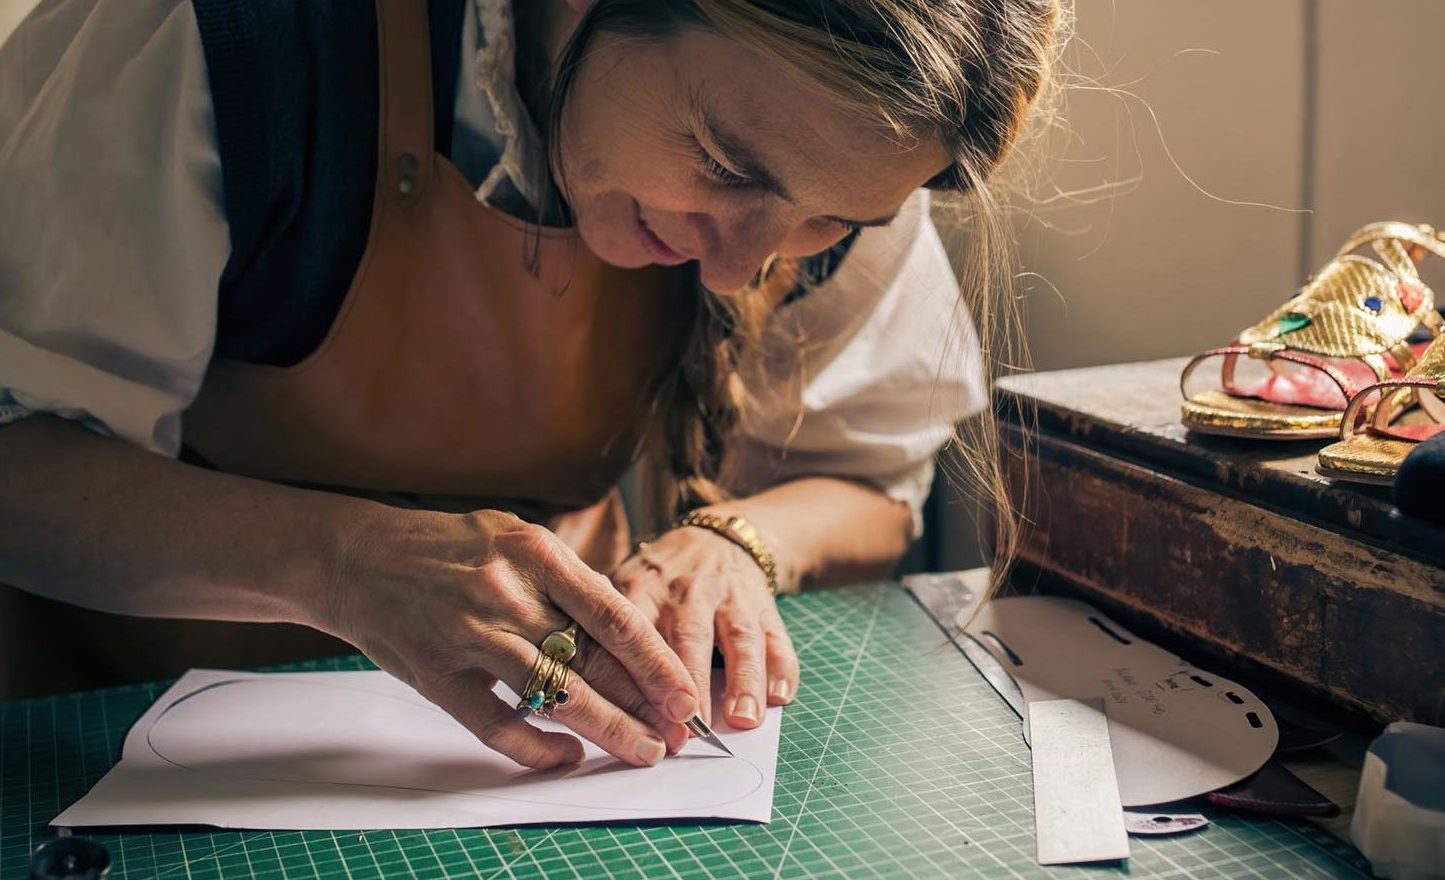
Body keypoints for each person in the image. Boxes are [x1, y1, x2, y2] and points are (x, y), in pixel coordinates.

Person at [0, 0, 1063, 769]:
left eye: (832, 220)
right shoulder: (226, 39)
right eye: (726, 166)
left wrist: (732, 541)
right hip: (105, 738)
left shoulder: (840, 150)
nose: (744, 266)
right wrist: (343, 562)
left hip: (534, 753)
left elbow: (867, 483)